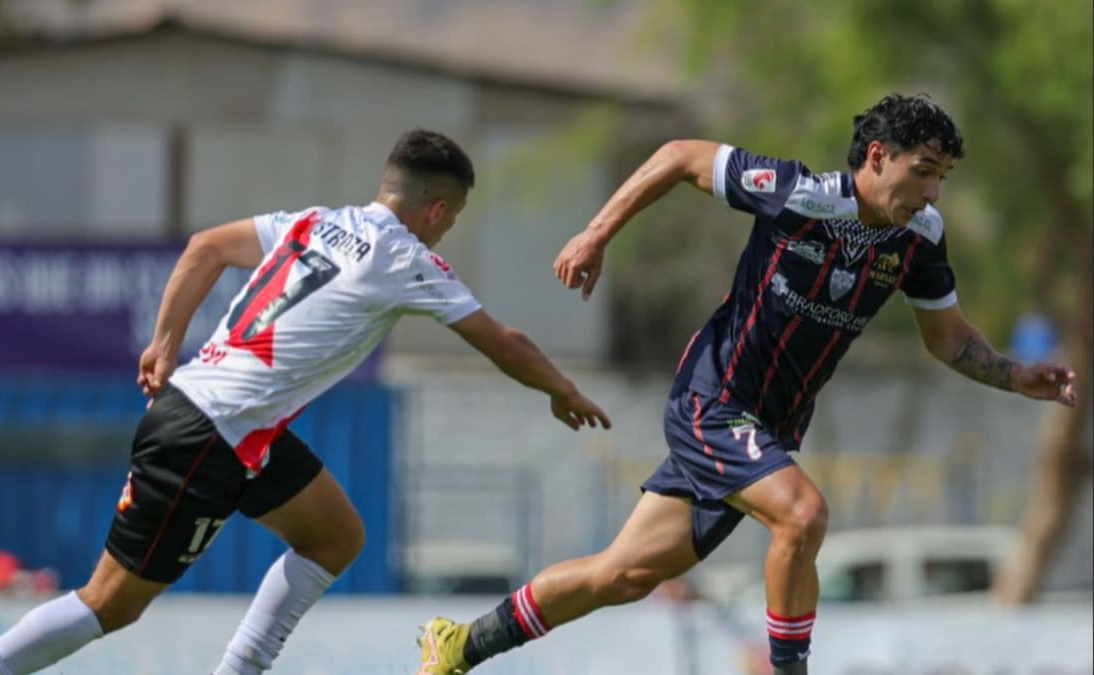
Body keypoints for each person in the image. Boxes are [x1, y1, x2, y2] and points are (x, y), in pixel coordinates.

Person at [416, 93, 1078, 675]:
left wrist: (1017, 375)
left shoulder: (919, 240)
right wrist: (595, 234)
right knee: (804, 512)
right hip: (714, 403)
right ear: (877, 156)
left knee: (622, 573)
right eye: (923, 171)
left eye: (943, 177)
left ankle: (460, 646)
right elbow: (678, 154)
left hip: (767, 430)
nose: (933, 192)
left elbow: (949, 339)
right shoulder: (799, 194)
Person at [0, 129, 611, 675]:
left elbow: (204, 248)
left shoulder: (313, 221)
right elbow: (505, 341)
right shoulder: (404, 257)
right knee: (110, 602)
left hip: (232, 424)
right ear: (436, 208)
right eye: (450, 218)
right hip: (207, 437)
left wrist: (165, 342)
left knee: (336, 535)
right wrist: (563, 389)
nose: (445, 231)